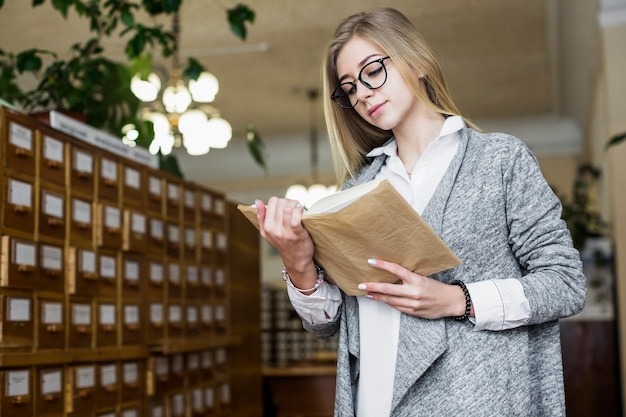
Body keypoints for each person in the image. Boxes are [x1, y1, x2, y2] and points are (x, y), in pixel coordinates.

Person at [255, 7, 586, 417]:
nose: (362, 93)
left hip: (475, 400)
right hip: (374, 402)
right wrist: (297, 260)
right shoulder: (357, 189)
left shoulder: (499, 160)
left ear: (415, 61)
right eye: (349, 87)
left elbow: (565, 284)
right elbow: (329, 324)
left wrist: (455, 299)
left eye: (372, 70)